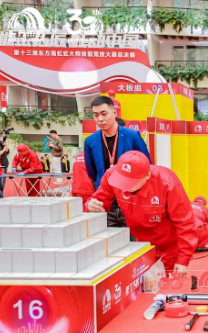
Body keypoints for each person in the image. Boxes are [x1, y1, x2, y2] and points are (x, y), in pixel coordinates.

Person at [87, 151, 198, 274]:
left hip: (168, 246)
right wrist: (91, 205)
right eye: (122, 180)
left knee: (165, 282)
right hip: (140, 245)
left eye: (130, 182)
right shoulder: (111, 176)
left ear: (147, 175)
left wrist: (183, 260)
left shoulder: (167, 184)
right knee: (142, 281)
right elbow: (97, 201)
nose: (124, 186)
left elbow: (185, 223)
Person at [84, 96, 151, 229]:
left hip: (131, 199)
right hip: (106, 201)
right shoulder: (90, 141)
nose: (100, 119)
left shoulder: (132, 136)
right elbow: (92, 172)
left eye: (104, 114)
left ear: (114, 113)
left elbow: (147, 165)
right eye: (96, 115)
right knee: (108, 238)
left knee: (135, 238)